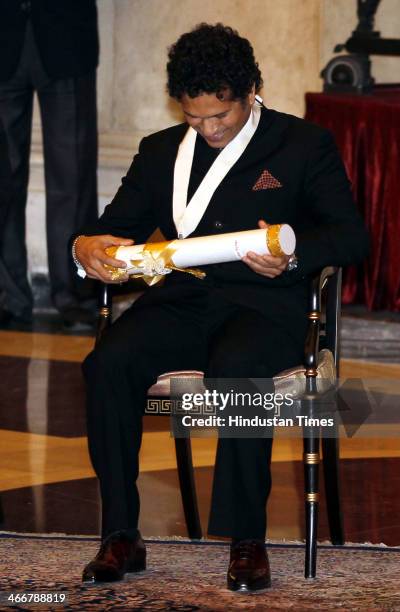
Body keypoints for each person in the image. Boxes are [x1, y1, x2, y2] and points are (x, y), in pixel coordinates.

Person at [73, 24, 369, 591]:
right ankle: (120, 534)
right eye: (194, 118)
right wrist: (85, 245)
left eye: (220, 116)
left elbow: (352, 238)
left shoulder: (302, 145)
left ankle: (246, 540)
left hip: (271, 305)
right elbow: (112, 228)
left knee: (240, 369)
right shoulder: (160, 151)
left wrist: (291, 255)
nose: (208, 129)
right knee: (107, 362)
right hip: (185, 299)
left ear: (251, 90)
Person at [0, 0, 99, 327]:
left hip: (65, 34)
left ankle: (75, 291)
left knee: (73, 175)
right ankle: (8, 295)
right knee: (3, 178)